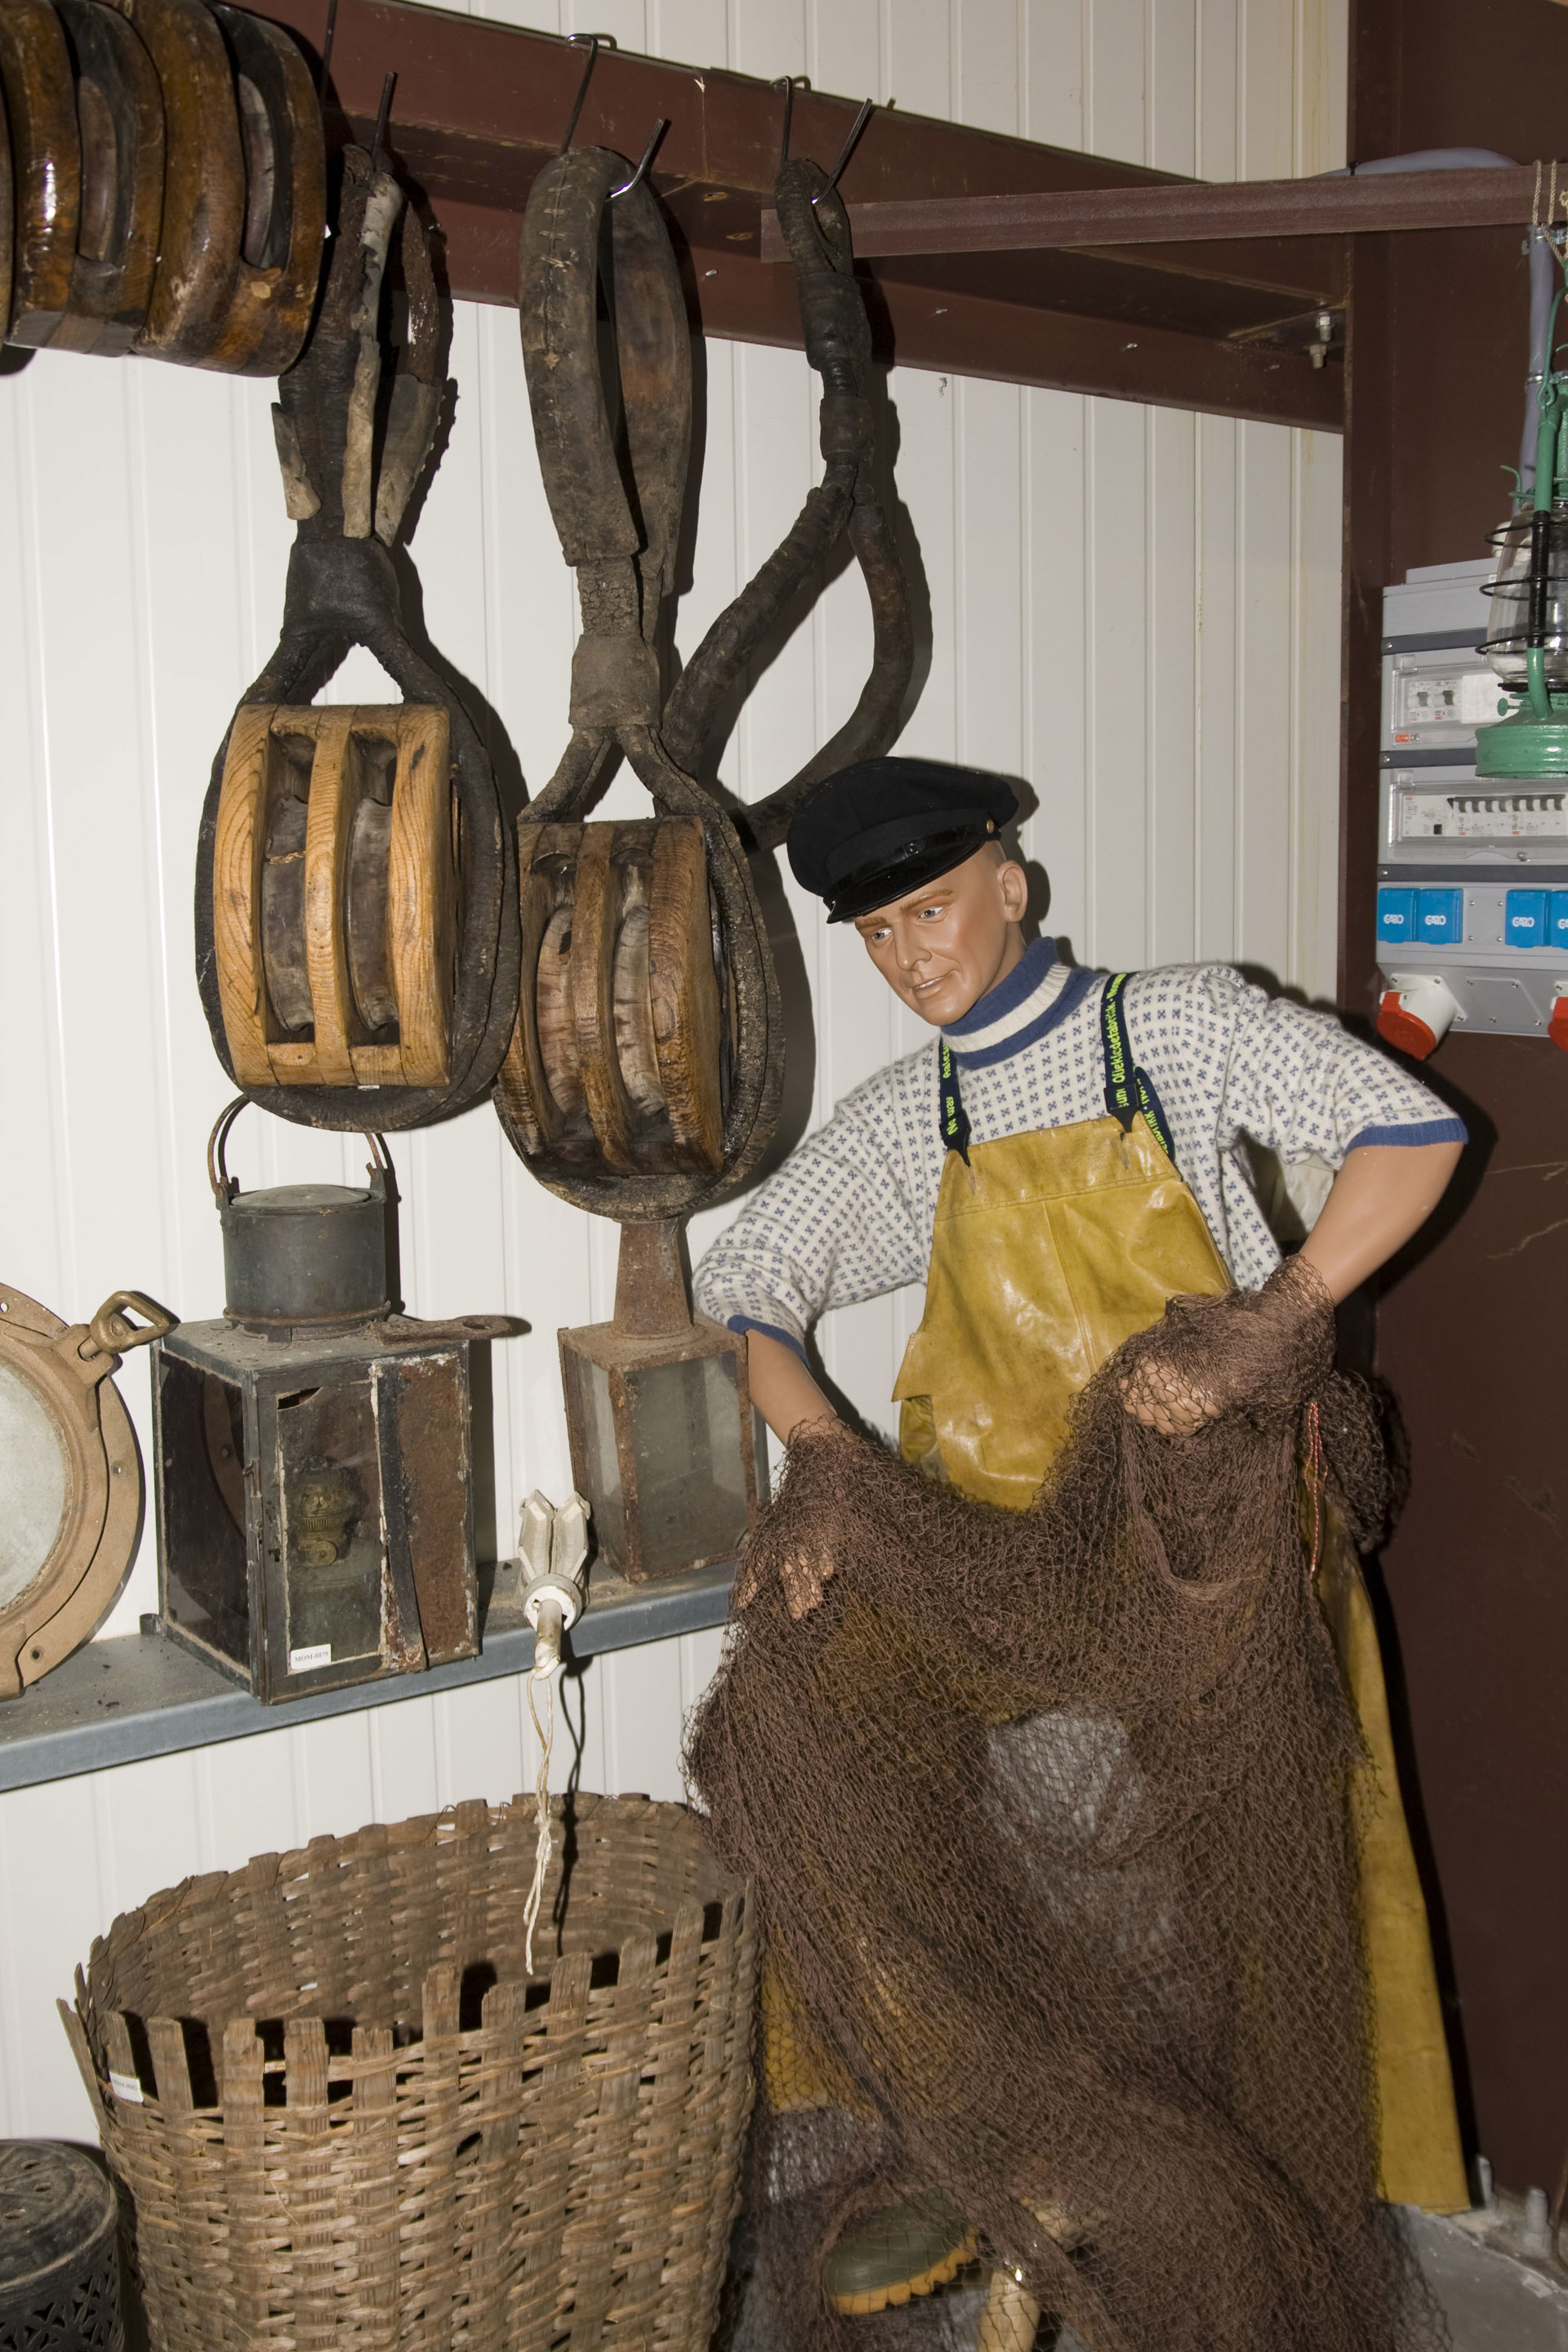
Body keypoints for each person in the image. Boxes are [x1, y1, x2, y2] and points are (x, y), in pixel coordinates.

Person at [691, 755, 1470, 2332]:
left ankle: (1229, 2192)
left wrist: (1281, 1318)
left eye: (929, 910)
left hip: (1208, 1555)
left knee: (1228, 1917)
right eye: (877, 935)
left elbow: (1411, 1128)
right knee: (791, 1706)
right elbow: (746, 1278)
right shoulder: (910, 1119)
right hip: (1006, 1569)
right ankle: (981, 2113)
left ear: (1012, 885)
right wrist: (824, 1457)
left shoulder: (1172, 1029)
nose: (909, 956)